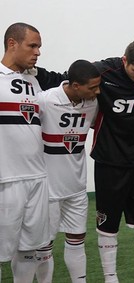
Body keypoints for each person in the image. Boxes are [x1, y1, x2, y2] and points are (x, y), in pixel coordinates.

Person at [35, 39, 134, 283]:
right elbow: (63, 78)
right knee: (107, 224)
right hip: (109, 160)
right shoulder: (102, 72)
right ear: (125, 60)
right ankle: (111, 278)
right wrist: (30, 71)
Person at [34, 59, 101, 283]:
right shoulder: (45, 100)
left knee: (77, 238)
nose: (97, 91)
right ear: (75, 86)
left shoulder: (92, 103)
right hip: (47, 189)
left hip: (76, 188)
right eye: (92, 87)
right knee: (44, 244)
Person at [0, 22, 49, 283]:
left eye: (39, 46)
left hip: (37, 178)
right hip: (5, 180)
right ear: (12, 44)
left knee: (30, 249)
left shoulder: (34, 80)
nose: (38, 52)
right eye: (32, 45)